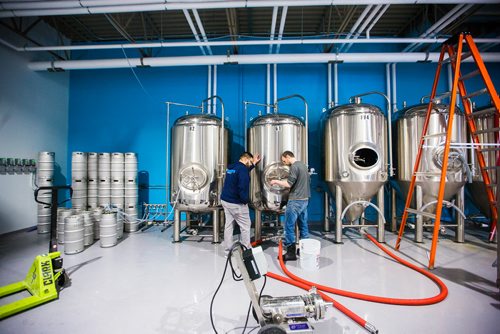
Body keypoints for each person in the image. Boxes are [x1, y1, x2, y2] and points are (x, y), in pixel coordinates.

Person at [270, 151, 310, 261]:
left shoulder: (294, 167)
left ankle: (290, 253)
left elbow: (288, 184)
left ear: (288, 157)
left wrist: (276, 181)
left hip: (295, 201)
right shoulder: (303, 165)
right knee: (303, 226)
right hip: (305, 200)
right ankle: (305, 250)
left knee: (289, 226)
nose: (284, 163)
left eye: (284, 160)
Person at [221, 151, 261, 253]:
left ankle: (228, 251)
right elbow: (242, 187)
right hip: (236, 203)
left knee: (229, 225)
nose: (250, 163)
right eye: (250, 161)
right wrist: (245, 201)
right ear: (246, 159)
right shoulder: (242, 170)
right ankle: (246, 251)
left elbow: (242, 171)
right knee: (245, 226)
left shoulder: (232, 167)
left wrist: (254, 164)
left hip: (225, 200)